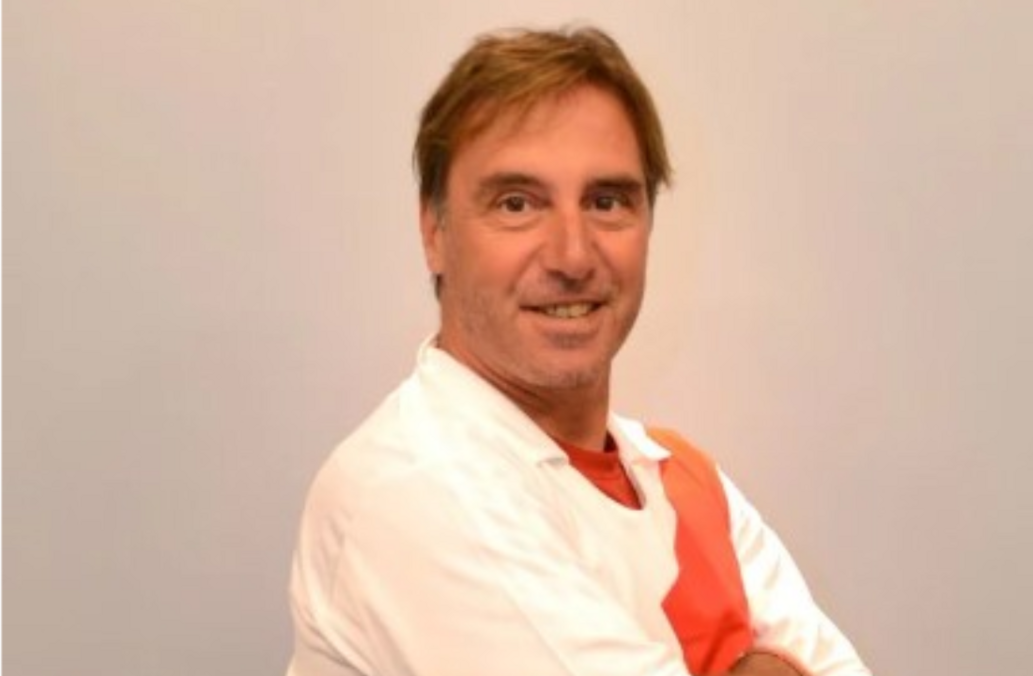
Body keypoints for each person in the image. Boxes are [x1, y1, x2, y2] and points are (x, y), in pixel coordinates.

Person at [287, 25, 871, 676]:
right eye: (517, 204)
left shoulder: (682, 477)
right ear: (434, 233)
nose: (572, 255)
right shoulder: (409, 488)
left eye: (606, 201)